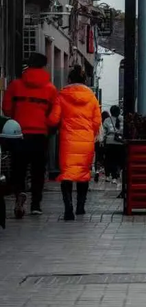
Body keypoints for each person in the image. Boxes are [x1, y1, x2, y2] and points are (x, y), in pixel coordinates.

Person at [1, 52, 58, 217]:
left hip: (19, 135)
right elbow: (55, 114)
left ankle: (20, 195)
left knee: (18, 169)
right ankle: (36, 204)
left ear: (28, 65)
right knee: (38, 171)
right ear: (44, 66)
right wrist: (47, 125)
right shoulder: (50, 89)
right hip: (40, 135)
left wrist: (17, 117)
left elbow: (6, 108)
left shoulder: (15, 85)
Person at [47, 65, 102, 221]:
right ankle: (80, 207)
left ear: (69, 80)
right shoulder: (91, 97)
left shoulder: (62, 95)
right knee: (83, 174)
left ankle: (68, 210)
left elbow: (53, 119)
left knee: (68, 175)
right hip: (86, 141)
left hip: (67, 141)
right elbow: (97, 121)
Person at [103, 105, 124, 184]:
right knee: (117, 160)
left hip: (109, 143)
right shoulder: (122, 119)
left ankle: (108, 175)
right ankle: (115, 177)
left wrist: (102, 141)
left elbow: (104, 133)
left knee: (108, 160)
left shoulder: (107, 120)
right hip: (120, 143)